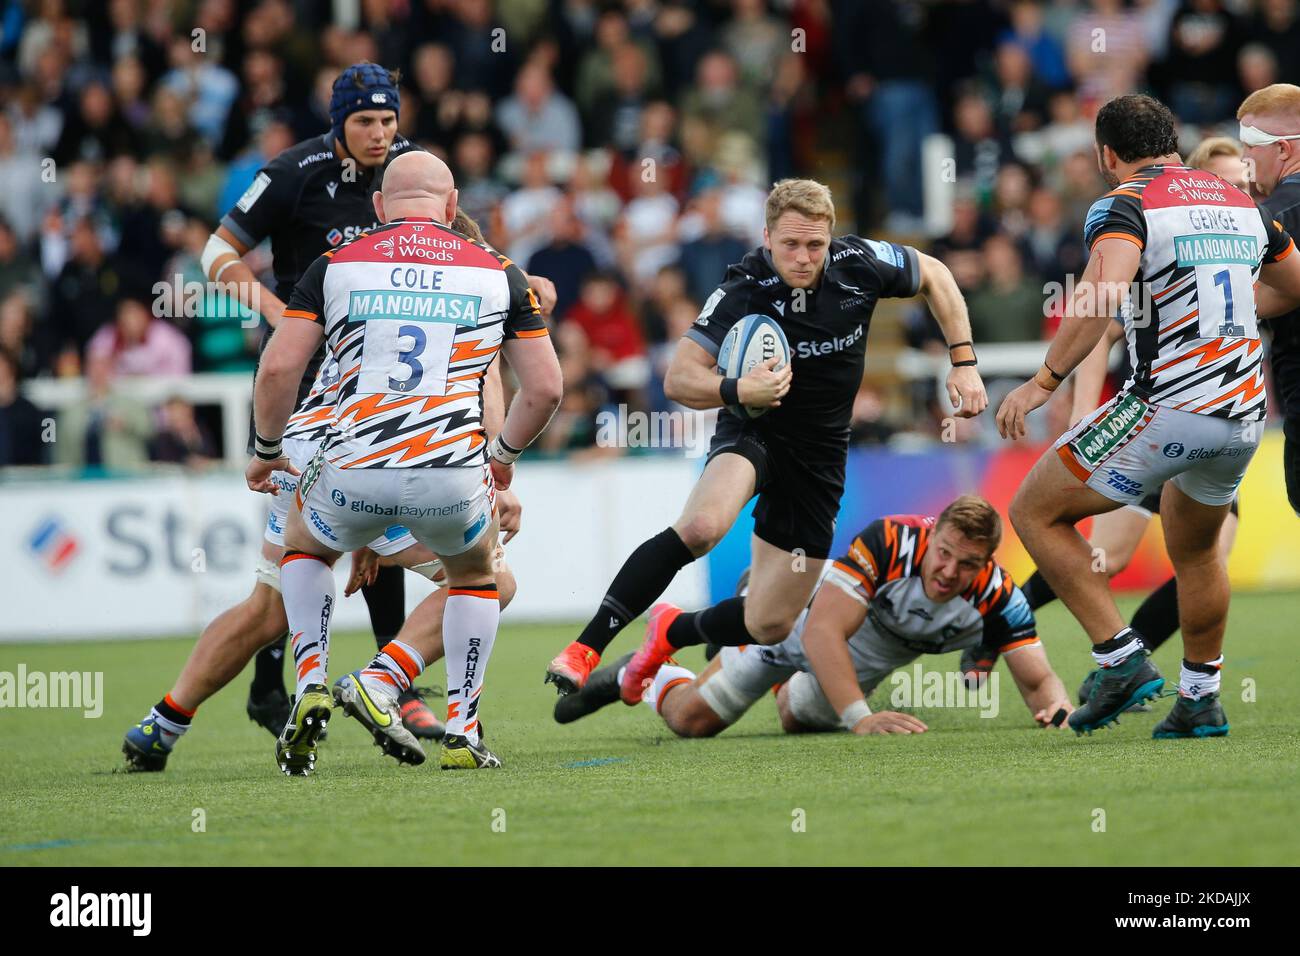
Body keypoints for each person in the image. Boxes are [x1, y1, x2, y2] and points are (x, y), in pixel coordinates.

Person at [545, 178, 988, 702]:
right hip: (757, 430)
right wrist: (737, 388)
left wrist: (963, 363)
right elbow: (679, 378)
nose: (803, 258)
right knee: (703, 525)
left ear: (832, 238)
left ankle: (670, 630)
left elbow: (935, 273)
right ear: (767, 237)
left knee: (769, 624)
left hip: (821, 455)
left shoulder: (861, 264)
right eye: (790, 245)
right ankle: (586, 646)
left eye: (815, 245)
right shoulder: (744, 287)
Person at [245, 151, 561, 775]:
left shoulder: (334, 264)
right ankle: (462, 732)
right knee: (478, 576)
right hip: (450, 472)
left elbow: (279, 367)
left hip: (351, 467)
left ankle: (310, 679)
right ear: (451, 206)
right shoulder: (499, 272)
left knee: (305, 547)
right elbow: (546, 387)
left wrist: (265, 450)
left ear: (381, 207)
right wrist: (502, 459)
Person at [995, 94, 1300, 739]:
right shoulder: (1236, 199)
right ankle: (1200, 699)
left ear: (1108, 154)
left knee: (1033, 510)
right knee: (1196, 552)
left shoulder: (1124, 204)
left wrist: (1043, 382)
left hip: (1166, 406)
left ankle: (1120, 656)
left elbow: (1102, 295)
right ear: (1172, 138)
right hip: (1244, 416)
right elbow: (1295, 284)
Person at [961, 134, 1248, 700]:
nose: (1237, 191)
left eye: (1241, 183)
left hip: (1211, 417)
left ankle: (1134, 668)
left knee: (1206, 559)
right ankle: (1006, 629)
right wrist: (1082, 408)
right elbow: (1100, 329)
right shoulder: (1162, 235)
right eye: (1226, 181)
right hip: (1171, 416)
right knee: (1107, 556)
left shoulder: (1243, 242)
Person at [556, 496, 1071, 737]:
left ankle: (766, 646)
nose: (948, 571)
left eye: (967, 564)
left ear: (987, 564)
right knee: (692, 723)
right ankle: (643, 673)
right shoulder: (891, 540)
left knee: (797, 721)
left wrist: (1058, 713)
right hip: (804, 626)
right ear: (932, 538)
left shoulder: (1000, 597)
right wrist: (862, 717)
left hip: (856, 665)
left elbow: (1037, 679)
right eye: (944, 554)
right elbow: (825, 630)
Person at [1238, 84, 1300, 517]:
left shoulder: (1275, 212)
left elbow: (1259, 297)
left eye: (1249, 148)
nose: (1244, 162)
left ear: (1281, 149)